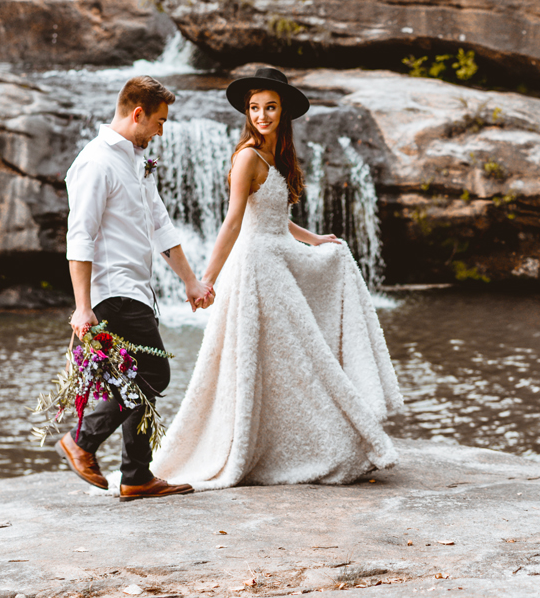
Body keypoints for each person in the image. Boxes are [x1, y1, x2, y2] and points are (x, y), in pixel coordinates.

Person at [152, 67, 403, 488]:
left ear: (282, 111)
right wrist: (206, 278)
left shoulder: (276, 155)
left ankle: (292, 442)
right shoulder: (247, 156)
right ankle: (269, 446)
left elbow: (278, 219)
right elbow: (234, 221)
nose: (262, 115)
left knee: (289, 360)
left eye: (269, 107)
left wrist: (315, 239)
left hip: (277, 260)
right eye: (254, 108)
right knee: (286, 357)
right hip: (255, 269)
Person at [58, 75, 213, 502]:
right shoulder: (96, 161)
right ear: (138, 114)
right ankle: (82, 441)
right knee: (152, 372)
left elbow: (160, 224)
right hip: (114, 291)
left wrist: (190, 281)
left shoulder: (136, 159)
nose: (162, 130)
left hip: (136, 291)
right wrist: (83, 307)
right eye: (160, 121)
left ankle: (136, 476)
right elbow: (80, 235)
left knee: (134, 378)